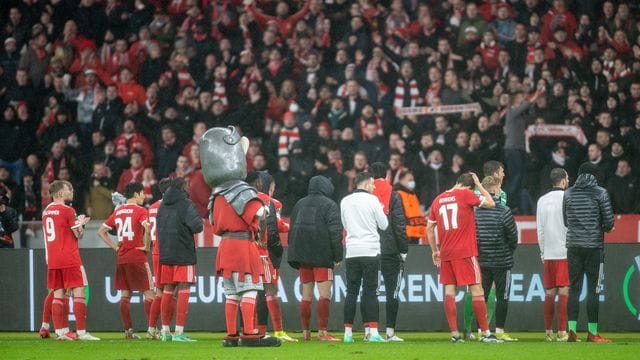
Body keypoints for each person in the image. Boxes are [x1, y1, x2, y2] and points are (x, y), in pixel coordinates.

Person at [203, 127, 280, 347]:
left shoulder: (215, 195)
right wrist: (265, 204)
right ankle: (249, 334)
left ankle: (231, 335)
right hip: (242, 245)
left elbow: (213, 224)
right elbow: (259, 213)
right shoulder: (242, 190)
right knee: (249, 289)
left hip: (224, 246)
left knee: (231, 294)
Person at [426, 173, 500, 343]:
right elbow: (491, 203)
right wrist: (480, 186)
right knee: (477, 290)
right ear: (469, 186)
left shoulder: (438, 199)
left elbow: (429, 228)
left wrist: (434, 250)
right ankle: (487, 334)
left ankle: (454, 335)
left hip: (446, 253)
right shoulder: (466, 194)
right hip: (465, 252)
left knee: (450, 292)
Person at [41, 180, 99, 341]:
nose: (71, 191)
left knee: (58, 293)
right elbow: (78, 234)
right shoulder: (67, 210)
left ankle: (60, 332)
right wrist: (81, 224)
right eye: (69, 189)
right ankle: (81, 332)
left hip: (53, 258)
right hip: (69, 256)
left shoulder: (46, 212)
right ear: (60, 193)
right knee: (79, 289)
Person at [563, 162, 614, 342]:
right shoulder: (601, 193)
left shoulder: (568, 193)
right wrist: (604, 227)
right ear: (595, 175)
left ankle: (571, 331)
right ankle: (592, 333)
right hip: (593, 247)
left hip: (573, 247)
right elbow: (608, 224)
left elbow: (566, 221)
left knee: (574, 289)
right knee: (594, 290)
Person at [288, 175, 343, 342]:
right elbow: (335, 233)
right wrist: (338, 255)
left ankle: (305, 333)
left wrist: (294, 252)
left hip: (302, 255)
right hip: (322, 255)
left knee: (306, 296)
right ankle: (322, 333)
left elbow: (292, 230)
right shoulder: (330, 205)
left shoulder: (299, 203)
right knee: (324, 295)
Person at [97, 182, 154, 339]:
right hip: (137, 256)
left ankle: (128, 331)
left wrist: (115, 248)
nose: (144, 196)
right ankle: (152, 330)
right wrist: (146, 245)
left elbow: (101, 232)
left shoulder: (119, 211)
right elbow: (148, 228)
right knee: (149, 294)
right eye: (142, 193)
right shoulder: (141, 211)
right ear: (135, 194)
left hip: (122, 258)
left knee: (125, 295)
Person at [247, 171, 296, 342]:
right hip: (267, 252)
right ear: (268, 186)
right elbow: (276, 226)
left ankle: (251, 329)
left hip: (246, 250)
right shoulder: (273, 202)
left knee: (249, 292)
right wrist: (289, 227)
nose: (273, 190)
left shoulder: (244, 200)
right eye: (273, 187)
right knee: (270, 291)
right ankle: (278, 331)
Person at [340, 172, 389, 343]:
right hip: (370, 251)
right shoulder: (373, 200)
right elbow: (384, 225)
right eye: (373, 184)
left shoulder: (345, 201)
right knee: (370, 292)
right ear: (367, 184)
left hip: (352, 251)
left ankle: (347, 334)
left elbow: (345, 225)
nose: (375, 187)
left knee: (351, 292)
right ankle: (374, 333)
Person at [157, 177, 204, 342]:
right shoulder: (186, 204)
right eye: (188, 185)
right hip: (183, 253)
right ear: (183, 187)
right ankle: (178, 332)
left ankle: (164, 332)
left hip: (166, 253)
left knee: (168, 290)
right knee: (184, 289)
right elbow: (197, 226)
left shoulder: (162, 205)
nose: (189, 187)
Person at [464, 160, 506, 339]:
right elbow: (502, 216)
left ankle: (468, 330)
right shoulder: (500, 194)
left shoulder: (471, 193)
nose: (504, 174)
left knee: (473, 286)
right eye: (502, 171)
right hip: (490, 245)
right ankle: (484, 329)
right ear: (495, 173)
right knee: (487, 287)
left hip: (473, 244)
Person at [474, 176, 518, 341]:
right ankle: (499, 331)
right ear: (494, 190)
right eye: (499, 187)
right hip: (502, 261)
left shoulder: (476, 211)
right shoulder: (504, 211)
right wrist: (508, 251)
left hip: (482, 261)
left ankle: (481, 331)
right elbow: (513, 236)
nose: (501, 191)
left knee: (482, 296)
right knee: (503, 296)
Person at [370, 162, 408, 341]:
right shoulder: (393, 195)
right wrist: (403, 249)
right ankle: (390, 333)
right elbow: (399, 225)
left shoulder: (364, 195)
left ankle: (371, 332)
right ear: (386, 175)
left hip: (369, 249)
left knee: (371, 292)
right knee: (392, 292)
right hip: (390, 250)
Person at [537, 168, 570, 342]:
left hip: (549, 253)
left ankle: (548, 332)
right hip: (564, 252)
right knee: (564, 291)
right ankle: (562, 332)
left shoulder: (542, 200)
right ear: (563, 181)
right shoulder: (568, 197)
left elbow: (540, 230)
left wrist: (543, 252)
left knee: (550, 293)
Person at [146, 178, 172, 340]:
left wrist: (147, 246)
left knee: (160, 291)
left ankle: (152, 328)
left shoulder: (152, 207)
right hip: (169, 251)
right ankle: (165, 328)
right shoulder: (170, 206)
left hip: (156, 251)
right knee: (168, 291)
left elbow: (148, 230)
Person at [393, 170, 425, 244]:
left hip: (415, 234)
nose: (412, 182)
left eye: (413, 180)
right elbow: (398, 216)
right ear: (401, 181)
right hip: (406, 236)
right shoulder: (398, 194)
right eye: (410, 180)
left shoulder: (412, 194)